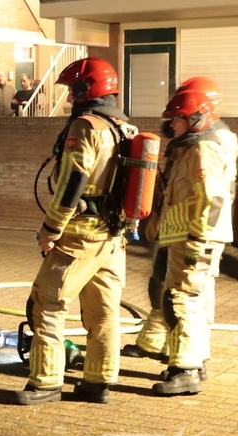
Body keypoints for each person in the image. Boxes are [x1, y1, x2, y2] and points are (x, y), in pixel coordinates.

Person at [15, 57, 130, 405]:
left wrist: (50, 229)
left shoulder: (86, 126)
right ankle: (98, 381)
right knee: (103, 310)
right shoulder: (124, 127)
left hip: (81, 234)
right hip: (113, 235)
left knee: (48, 304)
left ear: (86, 90)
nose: (68, 98)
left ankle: (46, 382)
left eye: (72, 91)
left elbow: (72, 183)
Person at [123, 77, 235, 377]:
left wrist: (197, 240)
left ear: (197, 116)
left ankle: (187, 367)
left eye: (177, 118)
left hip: (194, 236)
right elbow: (180, 192)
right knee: (178, 292)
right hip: (180, 233)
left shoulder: (206, 147)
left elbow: (209, 198)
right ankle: (170, 349)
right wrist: (160, 223)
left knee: (183, 298)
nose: (171, 125)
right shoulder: (193, 144)